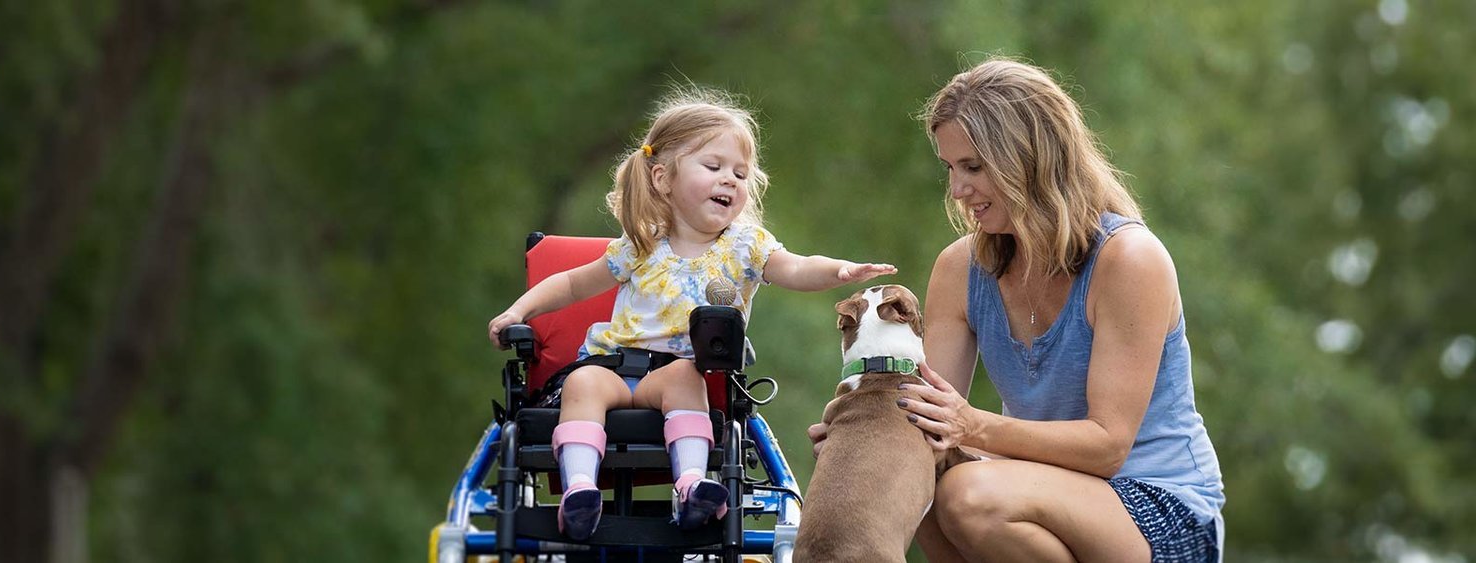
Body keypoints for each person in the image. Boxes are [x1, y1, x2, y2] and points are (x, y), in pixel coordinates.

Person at [807, 58, 1226, 561]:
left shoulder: (1129, 260)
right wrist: (863, 441)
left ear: (1030, 159)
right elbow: (931, 422)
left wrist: (974, 427)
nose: (958, 190)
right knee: (923, 490)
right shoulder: (960, 269)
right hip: (1036, 489)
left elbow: (1107, 446)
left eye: (974, 167)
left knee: (969, 497)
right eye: (950, 168)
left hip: (1156, 506)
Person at [487, 87, 896, 540]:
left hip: (675, 374)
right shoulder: (641, 244)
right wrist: (518, 310)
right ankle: (579, 490)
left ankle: (691, 487)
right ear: (663, 179)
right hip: (611, 365)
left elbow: (796, 267)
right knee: (582, 382)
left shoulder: (745, 246)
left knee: (687, 377)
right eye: (714, 166)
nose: (731, 180)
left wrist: (840, 270)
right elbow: (571, 283)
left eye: (741, 173)